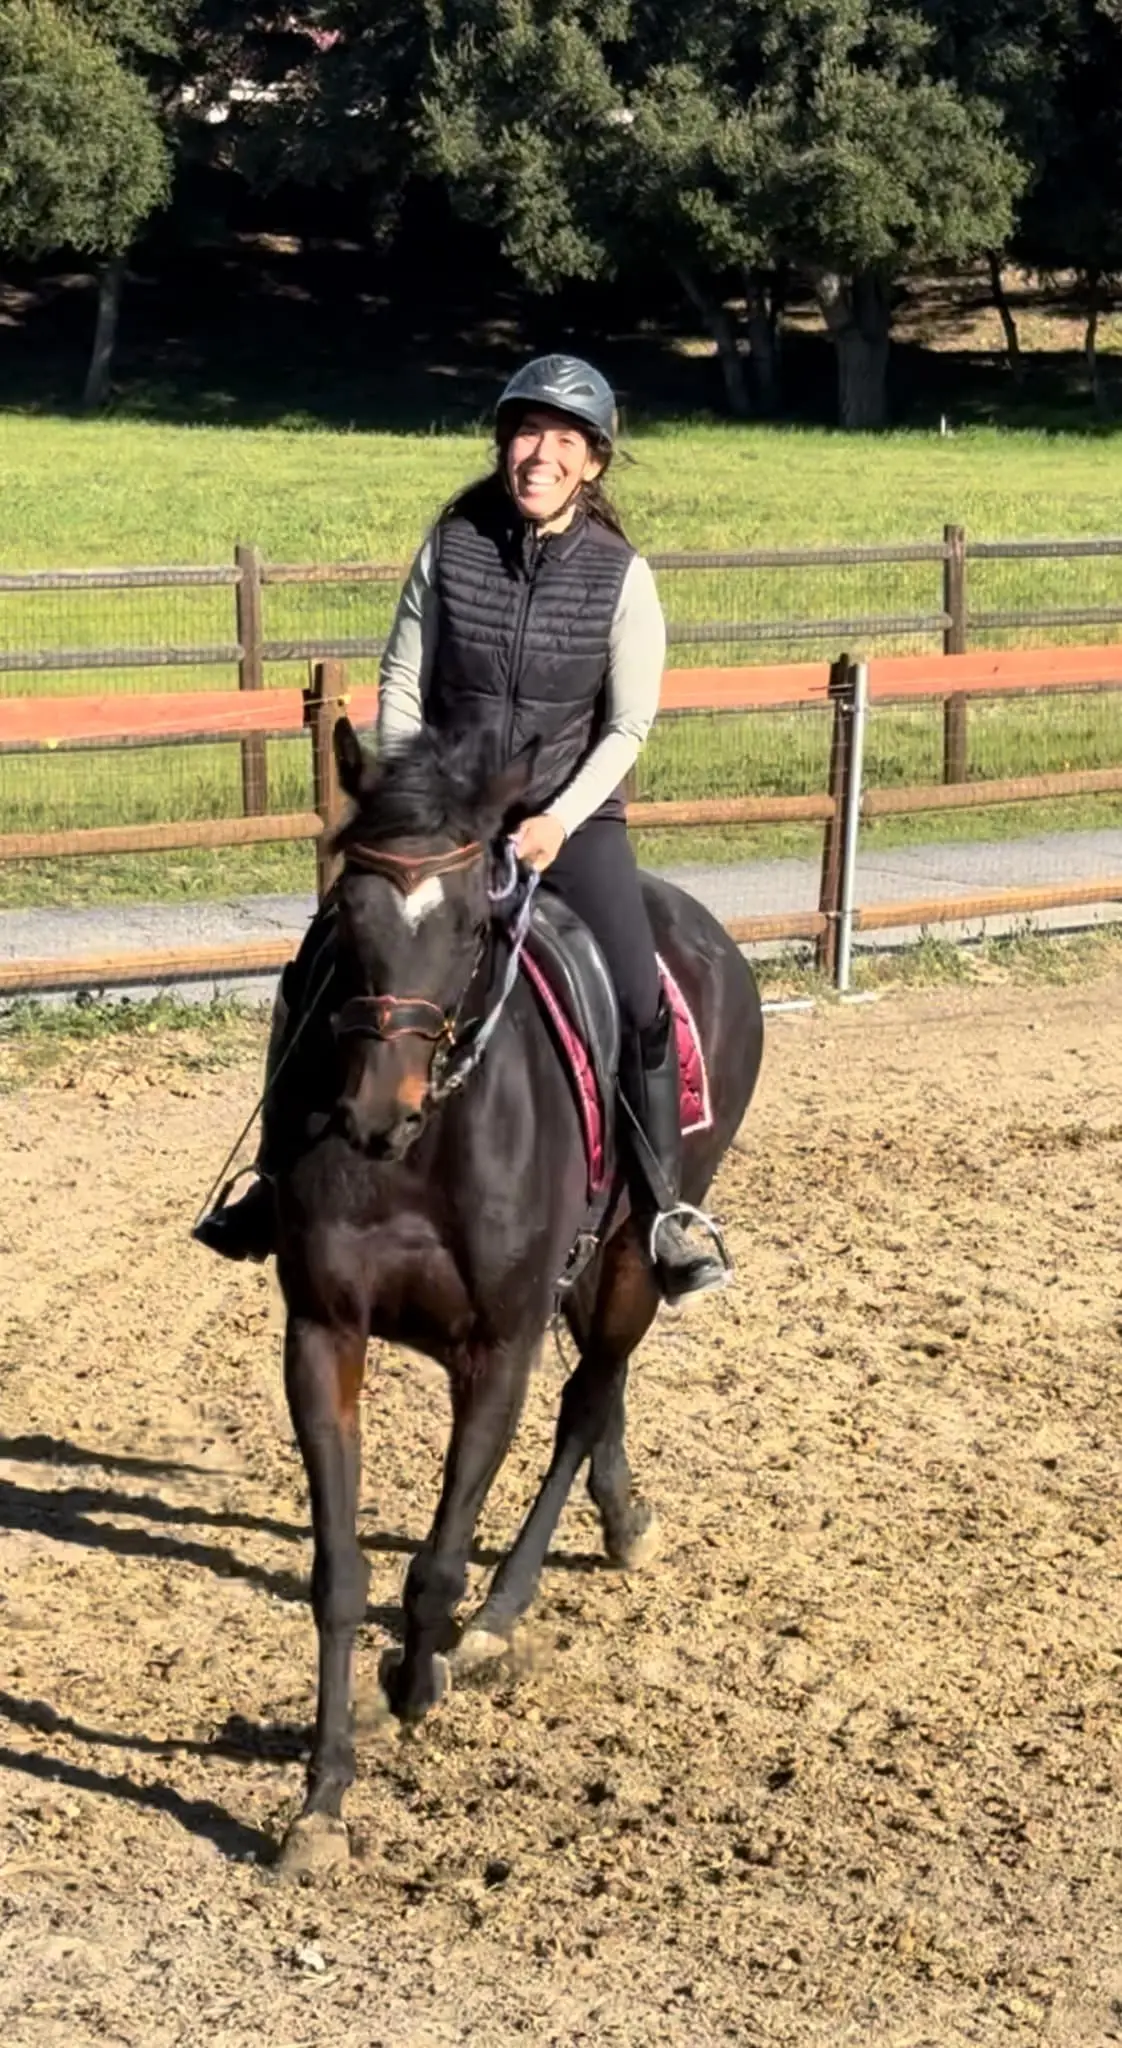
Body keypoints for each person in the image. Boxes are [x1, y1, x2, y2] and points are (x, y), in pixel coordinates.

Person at [195, 353, 726, 1302]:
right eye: (529, 433)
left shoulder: (623, 577)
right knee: (320, 962)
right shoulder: (451, 544)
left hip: (571, 820)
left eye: (566, 441)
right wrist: (421, 799)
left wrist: (560, 821)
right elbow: (401, 682)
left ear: (594, 462)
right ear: (502, 441)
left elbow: (628, 724)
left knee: (642, 995)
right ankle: (273, 1186)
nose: (542, 455)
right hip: (445, 820)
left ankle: (664, 1212)